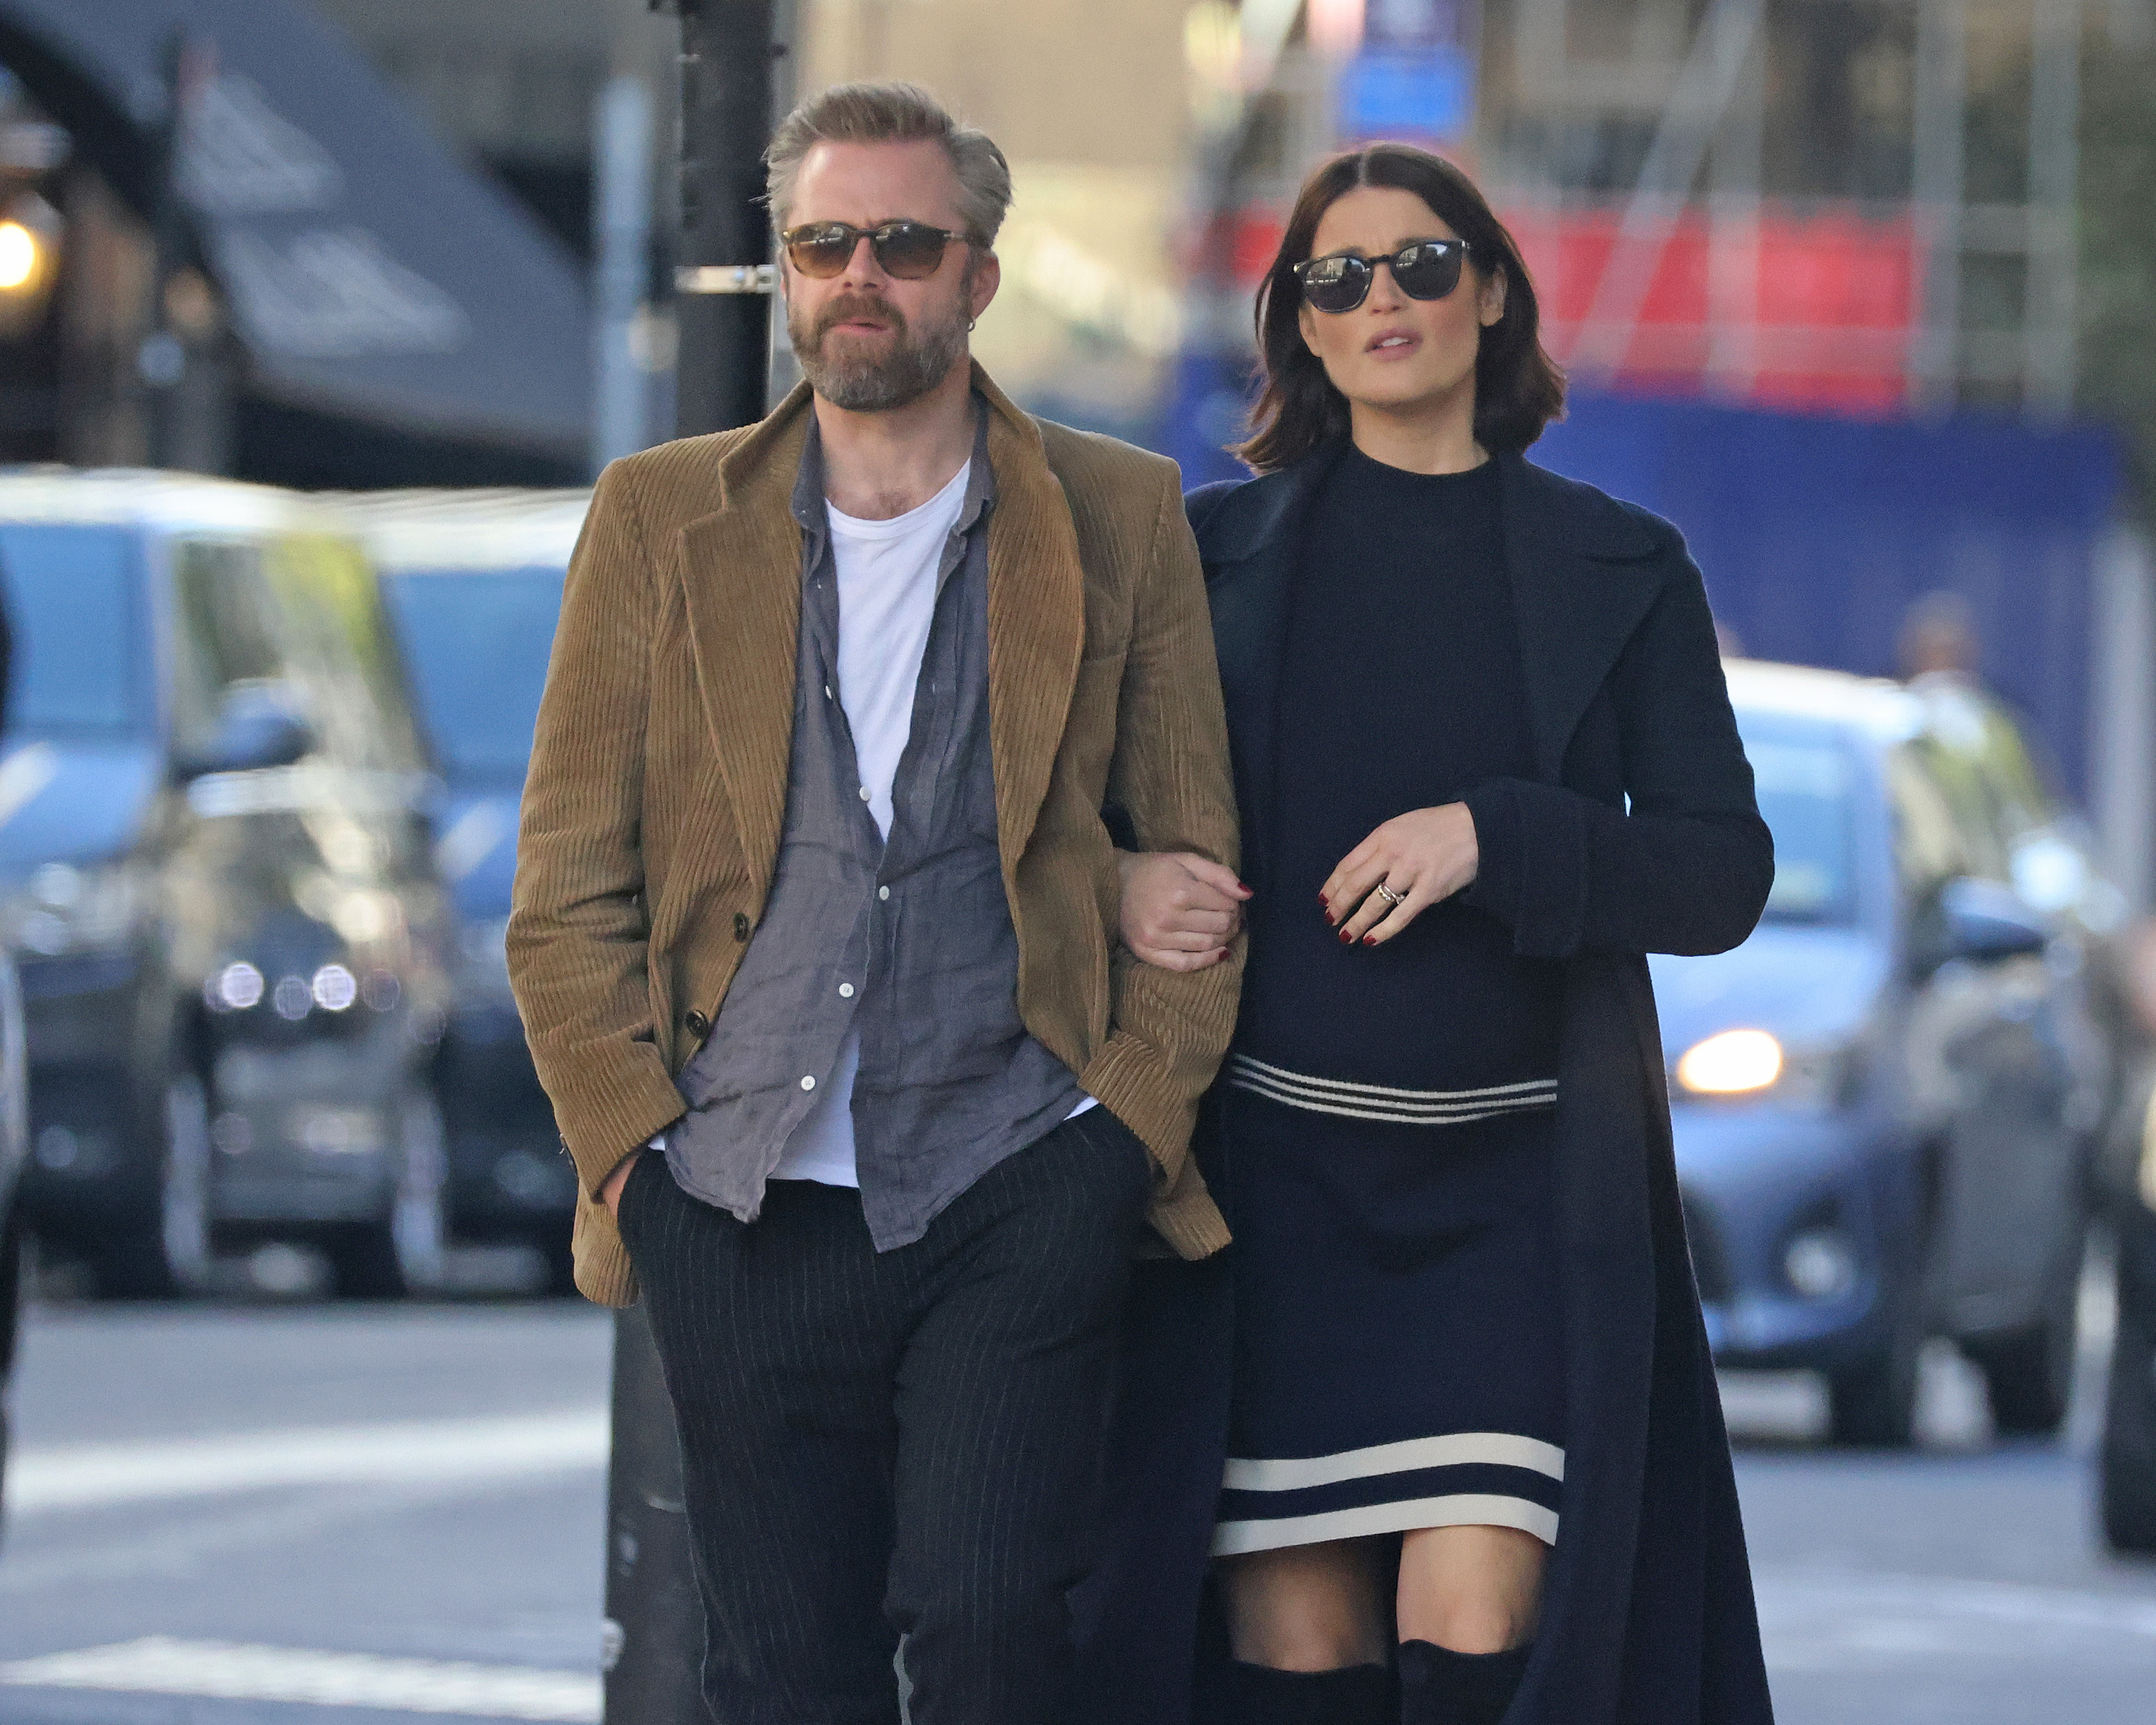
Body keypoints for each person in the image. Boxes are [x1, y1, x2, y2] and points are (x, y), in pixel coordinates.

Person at [507, 82, 1243, 1725]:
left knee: (993, 1638)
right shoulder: (660, 519)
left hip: (1014, 1177)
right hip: (736, 1188)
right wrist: (637, 1155)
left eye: (903, 244)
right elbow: (564, 893)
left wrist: (1120, 1134)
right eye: (823, 243)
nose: (860, 277)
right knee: (780, 1677)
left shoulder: (1118, 517)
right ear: (784, 269)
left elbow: (1202, 870)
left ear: (978, 274)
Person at [1107, 142, 1778, 1725]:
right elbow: (1086, 824)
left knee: (1481, 1637)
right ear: (1302, 330)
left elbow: (1720, 872)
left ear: (1488, 291)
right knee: (1294, 1664)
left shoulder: (1621, 566)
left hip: (1517, 1203)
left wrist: (1500, 833)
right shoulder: (1207, 564)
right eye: (1337, 278)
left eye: (1419, 262)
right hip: (1267, 1201)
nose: (1382, 297)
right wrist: (1131, 883)